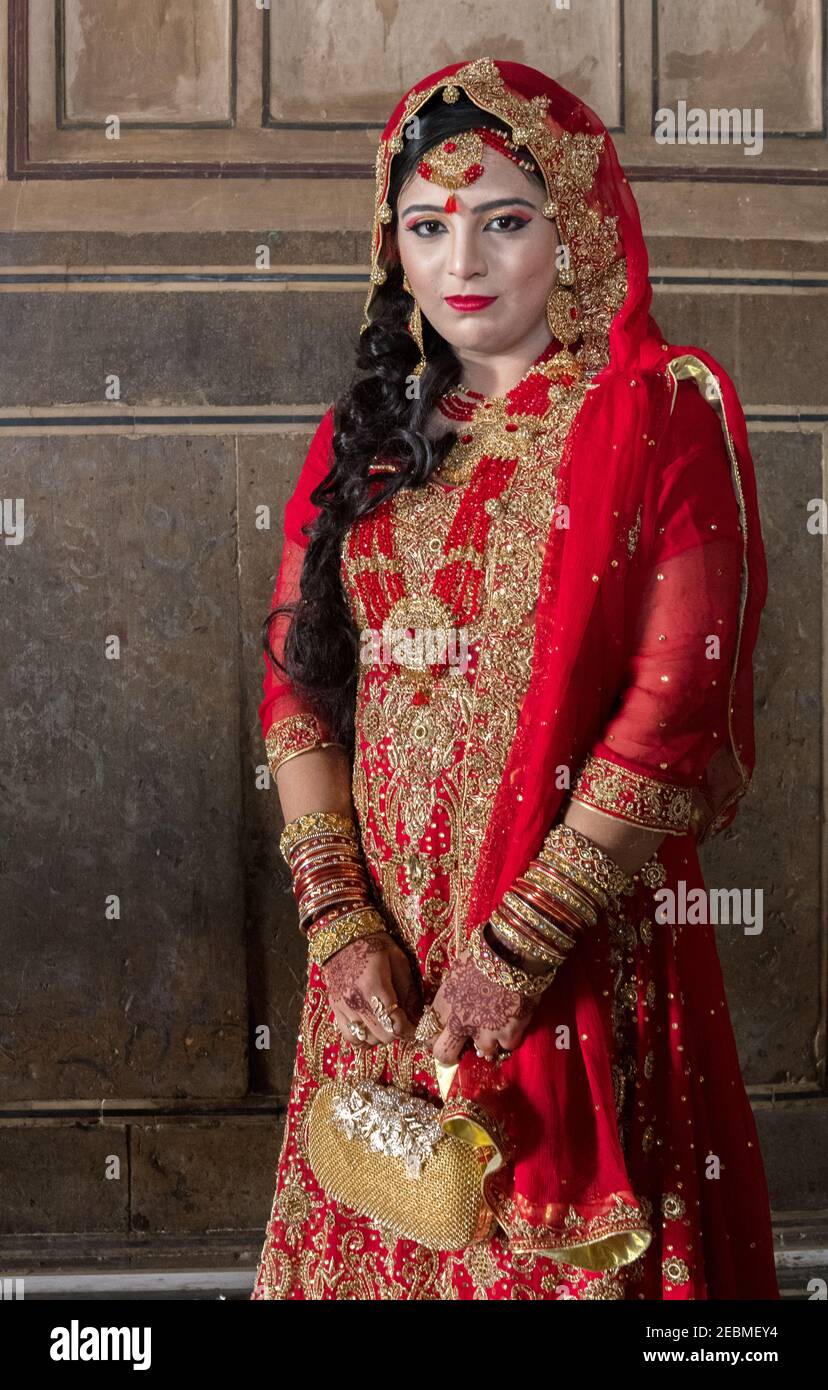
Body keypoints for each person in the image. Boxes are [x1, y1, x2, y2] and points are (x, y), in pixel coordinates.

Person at [249, 56, 779, 1301]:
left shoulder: (655, 414)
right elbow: (300, 686)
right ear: (395, 249)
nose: (463, 263)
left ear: (580, 227)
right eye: (428, 227)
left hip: (572, 939)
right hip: (385, 952)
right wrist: (337, 918)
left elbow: (676, 704)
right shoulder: (367, 437)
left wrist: (519, 942)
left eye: (505, 220)